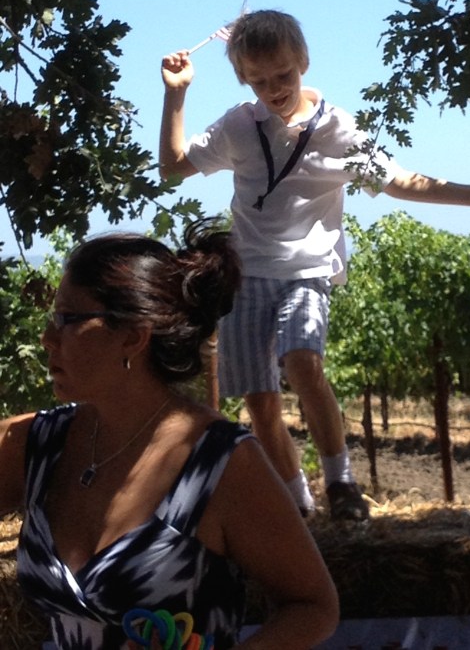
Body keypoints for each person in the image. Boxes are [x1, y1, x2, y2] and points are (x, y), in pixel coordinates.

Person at [160, 9, 470, 522]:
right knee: (260, 400)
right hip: (245, 278)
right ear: (243, 78)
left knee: (303, 364)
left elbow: (400, 181)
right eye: (259, 80)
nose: (274, 88)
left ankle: (341, 483)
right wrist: (176, 94)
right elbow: (174, 166)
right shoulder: (239, 126)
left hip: (307, 272)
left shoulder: (338, 129)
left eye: (283, 75)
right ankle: (298, 505)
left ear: (303, 62)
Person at [0, 219, 339, 649]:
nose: (48, 338)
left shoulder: (220, 463)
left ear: (132, 337)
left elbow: (313, 607)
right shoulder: (37, 445)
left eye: (68, 318)